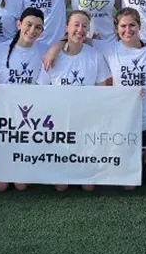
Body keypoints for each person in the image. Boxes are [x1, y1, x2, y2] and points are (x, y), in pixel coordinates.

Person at [37, 11, 111, 192]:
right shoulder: (51, 57)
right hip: (60, 125)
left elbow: (104, 90)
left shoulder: (94, 56)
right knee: (61, 187)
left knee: (88, 186)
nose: (80, 30)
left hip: (86, 124)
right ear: (66, 27)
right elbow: (41, 92)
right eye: (76, 25)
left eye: (84, 26)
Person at [97, 8, 146, 190]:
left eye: (132, 25)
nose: (127, 30)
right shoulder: (108, 48)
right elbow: (77, 38)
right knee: (128, 186)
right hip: (126, 125)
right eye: (123, 26)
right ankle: (139, 157)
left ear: (139, 26)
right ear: (116, 28)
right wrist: (55, 48)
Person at [0, 7, 46, 192]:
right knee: (1, 186)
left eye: (38, 27)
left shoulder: (45, 50)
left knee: (21, 185)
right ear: (19, 24)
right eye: (28, 24)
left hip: (28, 119)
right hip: (2, 117)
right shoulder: (0, 49)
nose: (32, 30)